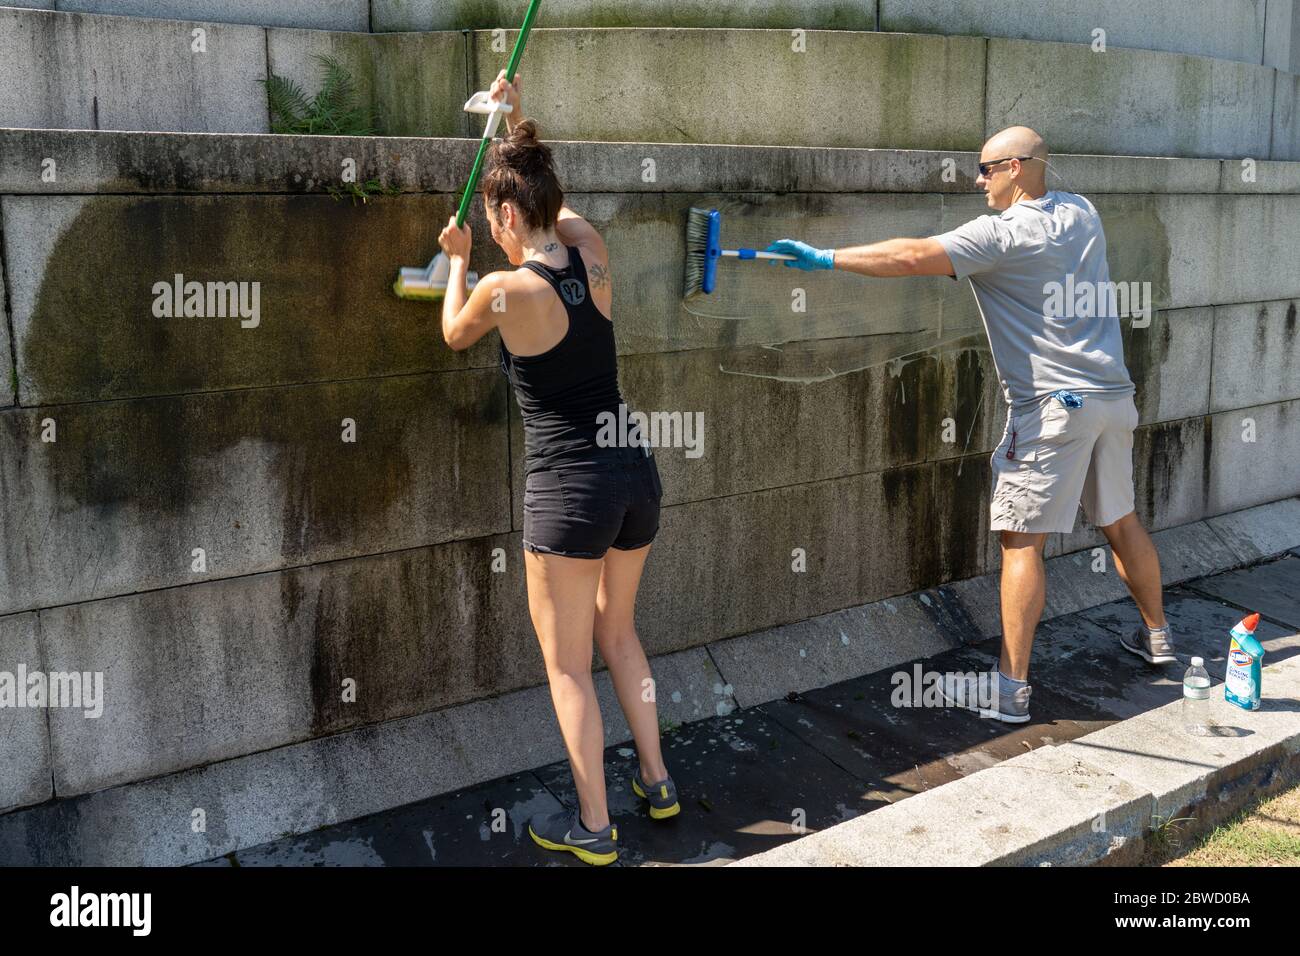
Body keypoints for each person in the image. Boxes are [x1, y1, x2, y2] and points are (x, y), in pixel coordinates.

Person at [766, 126, 1174, 723]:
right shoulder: (1082, 212)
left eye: (984, 169)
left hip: (1052, 409)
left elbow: (910, 256)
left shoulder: (1001, 235)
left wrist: (826, 258)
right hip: (1113, 397)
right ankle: (1158, 638)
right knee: (1120, 519)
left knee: (1021, 543)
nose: (976, 180)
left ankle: (1010, 691)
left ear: (1014, 168)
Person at [436, 72, 678, 865]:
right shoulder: (592, 255)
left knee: (567, 667)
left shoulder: (504, 289)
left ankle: (595, 828)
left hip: (568, 493)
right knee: (622, 634)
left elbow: (451, 332)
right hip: (634, 477)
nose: (490, 228)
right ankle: (659, 781)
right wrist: (516, 125)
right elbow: (560, 208)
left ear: (505, 215)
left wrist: (458, 260)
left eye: (492, 218)